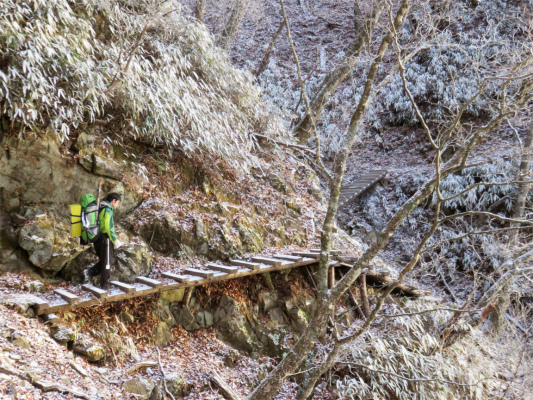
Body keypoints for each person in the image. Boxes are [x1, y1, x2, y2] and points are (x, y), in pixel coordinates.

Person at [83, 193, 122, 289]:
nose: (117, 205)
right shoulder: (107, 210)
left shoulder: (100, 207)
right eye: (118, 203)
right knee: (107, 263)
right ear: (113, 200)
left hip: (98, 238)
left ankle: (90, 272)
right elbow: (106, 227)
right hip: (104, 239)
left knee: (106, 260)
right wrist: (115, 240)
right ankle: (104, 285)